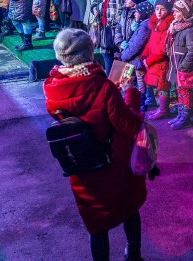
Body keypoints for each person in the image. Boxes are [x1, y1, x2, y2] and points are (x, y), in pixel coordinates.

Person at [43, 28, 146, 261]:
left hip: (82, 163)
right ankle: (134, 255)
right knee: (129, 209)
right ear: (89, 53)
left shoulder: (52, 88)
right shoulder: (102, 86)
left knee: (96, 224)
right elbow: (129, 125)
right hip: (114, 163)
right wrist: (130, 93)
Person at [166, 0, 193, 130]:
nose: (173, 13)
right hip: (177, 66)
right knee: (180, 92)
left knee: (185, 92)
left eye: (177, 11)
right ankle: (181, 115)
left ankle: (185, 117)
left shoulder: (189, 29)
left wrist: (183, 66)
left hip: (185, 68)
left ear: (184, 13)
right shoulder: (177, 27)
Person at [141, 0, 175, 119]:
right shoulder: (156, 24)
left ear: (168, 10)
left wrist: (148, 60)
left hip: (162, 62)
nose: (159, 12)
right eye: (157, 9)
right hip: (154, 61)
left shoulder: (167, 26)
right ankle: (161, 108)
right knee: (157, 85)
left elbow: (162, 50)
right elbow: (150, 42)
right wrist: (145, 55)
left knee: (162, 85)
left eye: (162, 9)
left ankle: (164, 109)